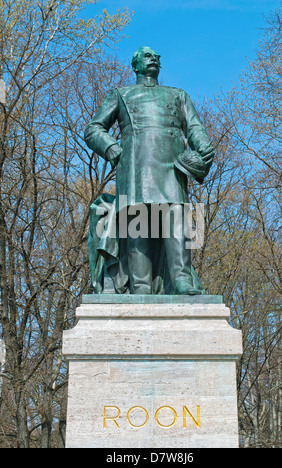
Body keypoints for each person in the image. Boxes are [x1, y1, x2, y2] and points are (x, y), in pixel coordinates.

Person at [84, 46, 214, 295]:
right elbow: (94, 129)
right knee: (138, 222)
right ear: (135, 66)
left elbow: (195, 128)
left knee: (176, 218)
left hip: (172, 167)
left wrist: (203, 148)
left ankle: (181, 280)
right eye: (146, 56)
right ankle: (140, 286)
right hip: (136, 166)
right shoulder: (121, 94)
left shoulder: (178, 95)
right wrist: (111, 148)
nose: (153, 58)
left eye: (156, 56)